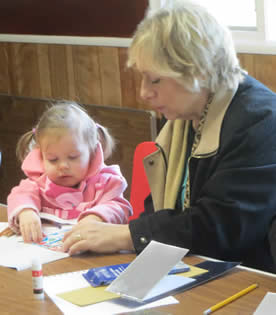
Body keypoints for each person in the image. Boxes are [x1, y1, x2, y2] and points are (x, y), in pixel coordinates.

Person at [63, 1, 276, 273]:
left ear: (197, 70)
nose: (143, 93)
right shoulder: (186, 114)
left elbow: (222, 227)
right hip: (195, 268)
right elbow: (161, 209)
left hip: (249, 280)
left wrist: (125, 235)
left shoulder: (261, 121)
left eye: (155, 80)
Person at [7, 101, 132, 243]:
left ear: (92, 152)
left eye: (73, 157)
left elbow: (120, 208)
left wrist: (96, 218)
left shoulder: (106, 182)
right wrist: (26, 212)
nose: (63, 166)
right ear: (41, 156)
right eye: (53, 159)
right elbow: (20, 196)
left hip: (92, 255)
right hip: (49, 257)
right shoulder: (37, 182)